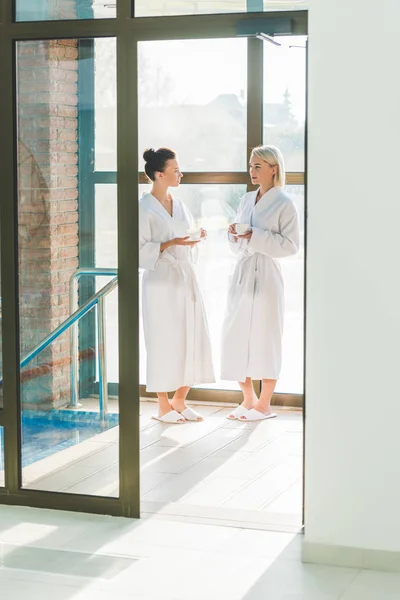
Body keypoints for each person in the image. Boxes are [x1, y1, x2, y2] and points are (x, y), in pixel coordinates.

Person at [221, 145, 300, 421]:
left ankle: (265, 404)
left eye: (257, 166)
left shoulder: (285, 203)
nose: (251, 171)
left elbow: (291, 246)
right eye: (250, 166)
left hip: (267, 274)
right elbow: (237, 239)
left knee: (266, 336)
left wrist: (255, 235)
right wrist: (234, 235)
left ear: (273, 168)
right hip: (243, 272)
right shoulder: (246, 199)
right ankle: (248, 400)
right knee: (236, 333)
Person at [139, 147, 215, 423]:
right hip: (159, 282)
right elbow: (137, 251)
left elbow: (184, 236)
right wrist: (172, 242)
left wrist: (195, 238)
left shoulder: (179, 203)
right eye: (175, 170)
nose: (180, 174)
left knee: (192, 336)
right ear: (159, 175)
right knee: (162, 340)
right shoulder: (143, 208)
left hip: (184, 277)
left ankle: (180, 400)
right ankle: (162, 406)